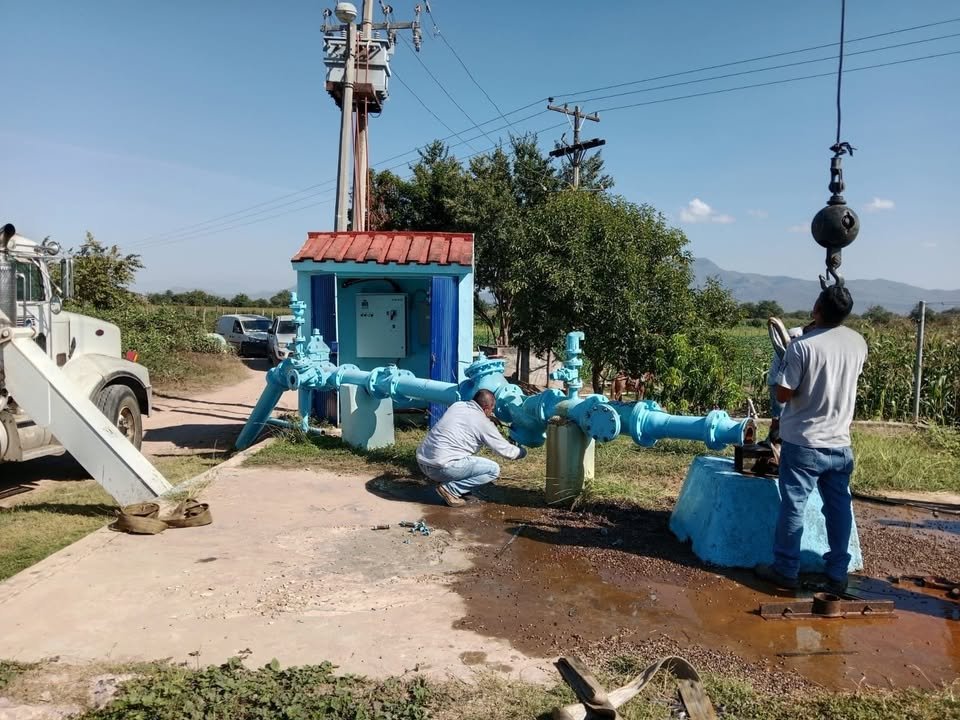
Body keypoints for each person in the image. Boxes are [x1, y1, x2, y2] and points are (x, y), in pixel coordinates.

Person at [755, 286, 867, 594]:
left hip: (803, 442)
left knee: (794, 505)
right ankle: (837, 573)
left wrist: (788, 357)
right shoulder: (858, 343)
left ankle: (785, 570)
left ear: (816, 308)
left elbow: (782, 394)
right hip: (840, 444)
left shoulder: (801, 347)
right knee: (839, 507)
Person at [416, 389, 527, 507]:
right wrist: (522, 451)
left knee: (461, 454)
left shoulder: (458, 405)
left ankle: (454, 485)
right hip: (440, 468)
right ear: (486, 408)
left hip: (423, 461)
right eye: (492, 409)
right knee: (493, 470)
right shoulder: (483, 423)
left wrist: (487, 419)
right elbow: (507, 452)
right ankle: (450, 489)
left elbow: (468, 422)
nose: (492, 412)